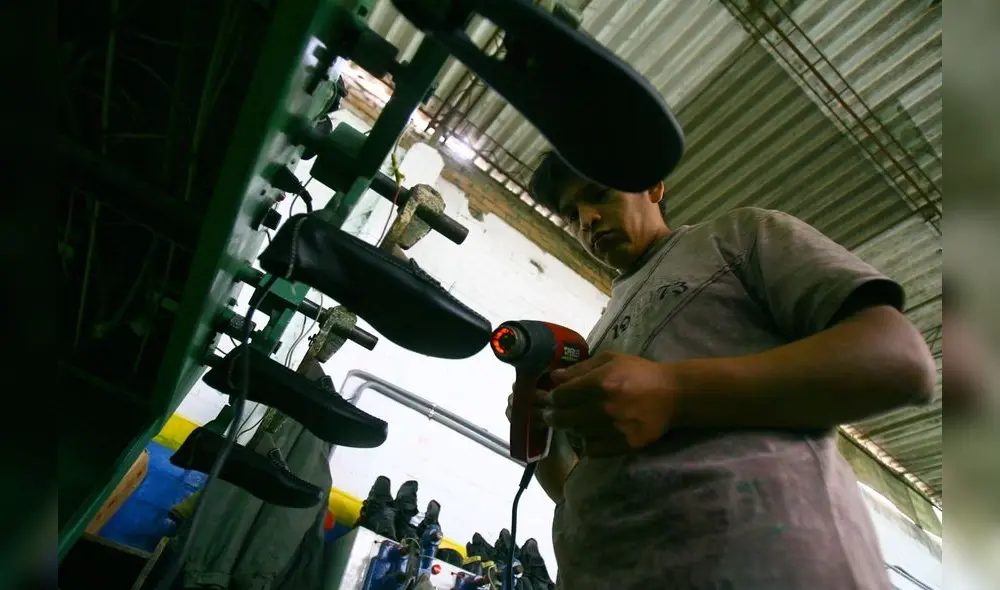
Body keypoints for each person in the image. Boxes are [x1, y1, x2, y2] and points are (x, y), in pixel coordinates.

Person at [505, 152, 938, 589]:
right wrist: (545, 420)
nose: (588, 219)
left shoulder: (735, 238)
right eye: (570, 213)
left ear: (654, 187)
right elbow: (575, 488)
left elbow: (898, 358)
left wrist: (676, 393)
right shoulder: (597, 337)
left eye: (598, 195)